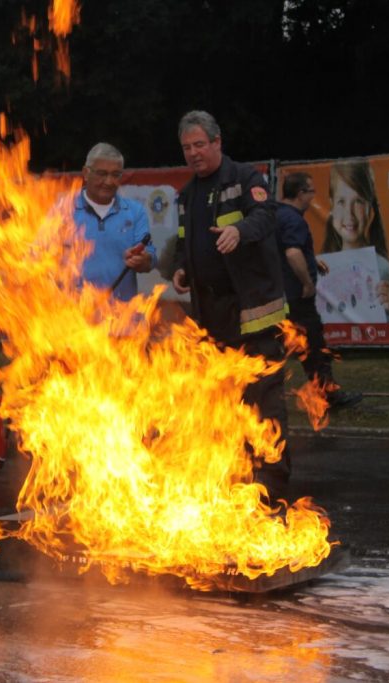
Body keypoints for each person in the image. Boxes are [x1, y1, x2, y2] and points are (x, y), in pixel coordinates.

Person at [170, 110, 290, 497]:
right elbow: (188, 241)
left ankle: (271, 484)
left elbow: (267, 216)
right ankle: (236, 482)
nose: (193, 154)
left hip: (255, 316)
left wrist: (239, 231)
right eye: (187, 147)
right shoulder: (187, 195)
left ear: (217, 142)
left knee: (262, 401)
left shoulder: (245, 178)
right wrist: (182, 269)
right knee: (223, 401)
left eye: (200, 145)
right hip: (213, 320)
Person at [276, 172, 363, 409]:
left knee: (297, 348)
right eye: (311, 191)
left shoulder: (276, 215)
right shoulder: (293, 220)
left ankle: (321, 393)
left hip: (281, 298)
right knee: (314, 347)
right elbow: (292, 253)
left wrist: (312, 261)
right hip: (297, 298)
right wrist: (307, 282)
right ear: (301, 194)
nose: (314, 196)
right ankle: (328, 396)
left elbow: (288, 250)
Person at [322, 160, 389, 322]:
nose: (349, 215)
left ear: (370, 208)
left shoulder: (382, 267)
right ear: (331, 205)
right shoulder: (321, 268)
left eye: (358, 201)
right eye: (341, 202)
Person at [73, 142, 155, 302]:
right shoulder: (62, 211)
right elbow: (39, 260)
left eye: (116, 174)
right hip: (73, 318)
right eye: (102, 174)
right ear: (86, 173)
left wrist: (143, 260)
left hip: (123, 319)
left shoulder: (135, 211)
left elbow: (149, 259)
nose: (109, 181)